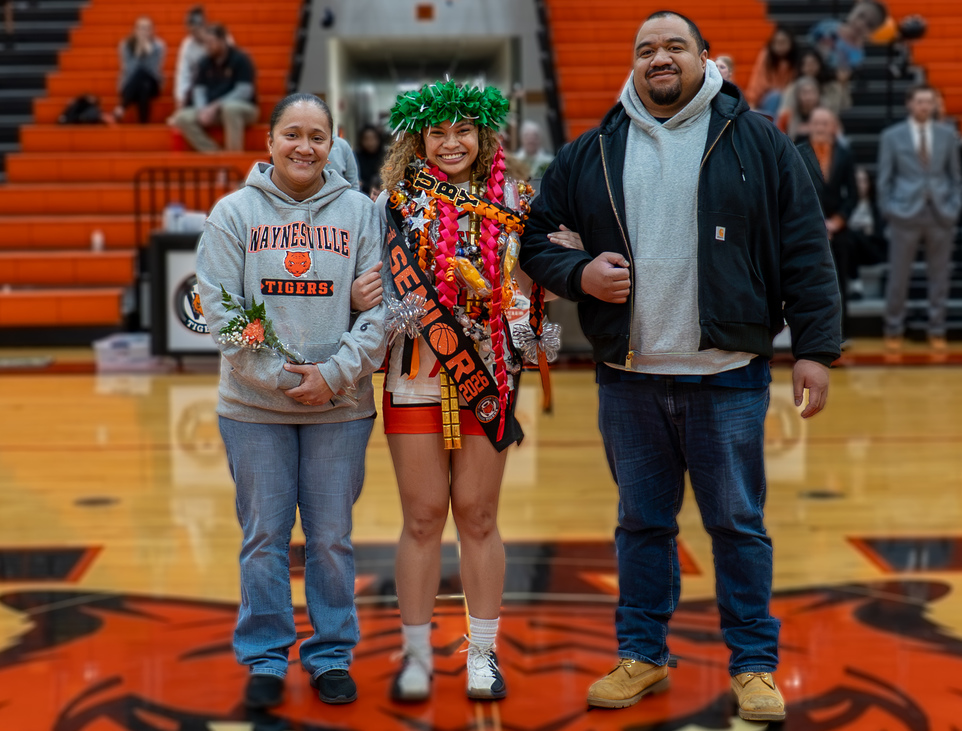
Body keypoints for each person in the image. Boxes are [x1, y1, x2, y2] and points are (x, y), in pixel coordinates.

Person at [519, 10, 840, 723]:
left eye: (673, 46)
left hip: (728, 373)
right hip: (630, 375)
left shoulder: (755, 139)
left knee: (737, 523)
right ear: (632, 64)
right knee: (641, 525)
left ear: (704, 56)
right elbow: (533, 238)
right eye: (645, 49)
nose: (658, 58)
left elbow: (805, 251)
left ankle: (754, 664)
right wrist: (578, 273)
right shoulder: (593, 148)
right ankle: (644, 653)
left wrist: (814, 349)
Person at [194, 93, 386, 709]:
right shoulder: (232, 214)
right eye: (292, 135)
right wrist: (281, 377)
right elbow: (221, 314)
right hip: (253, 411)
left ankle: (331, 652)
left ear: (334, 146)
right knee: (264, 537)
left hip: (341, 406)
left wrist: (333, 375)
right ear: (270, 141)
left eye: (318, 137)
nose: (304, 147)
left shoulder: (361, 213)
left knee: (331, 537)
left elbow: (383, 312)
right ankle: (266, 658)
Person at [372, 79, 557, 704]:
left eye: (463, 131)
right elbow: (376, 299)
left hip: (488, 380)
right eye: (437, 132)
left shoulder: (517, 201)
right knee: (422, 518)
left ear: (483, 136)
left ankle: (482, 655)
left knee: (478, 515)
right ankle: (418, 655)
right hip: (415, 376)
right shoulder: (392, 204)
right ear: (418, 138)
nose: (451, 143)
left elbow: (536, 306)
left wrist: (518, 314)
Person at [877, 83, 962, 354]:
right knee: (898, 276)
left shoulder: (948, 135)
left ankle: (937, 329)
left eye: (929, 102)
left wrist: (954, 206)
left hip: (940, 213)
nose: (925, 106)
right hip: (905, 213)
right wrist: (889, 209)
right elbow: (884, 179)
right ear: (910, 104)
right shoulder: (892, 136)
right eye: (920, 101)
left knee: (939, 276)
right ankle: (893, 328)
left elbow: (956, 177)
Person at [797, 108, 859, 338]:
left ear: (833, 127)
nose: (821, 129)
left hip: (836, 229)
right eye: (817, 124)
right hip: (805, 228)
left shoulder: (845, 154)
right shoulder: (798, 152)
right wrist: (812, 224)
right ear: (810, 126)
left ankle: (840, 333)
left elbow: (852, 194)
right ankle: (808, 334)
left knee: (839, 281)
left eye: (826, 124)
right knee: (804, 283)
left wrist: (836, 222)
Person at [169, 23, 257, 152]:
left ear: (222, 40)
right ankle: (215, 155)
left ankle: (234, 158)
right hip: (212, 110)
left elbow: (244, 91)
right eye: (206, 43)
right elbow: (199, 90)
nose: (207, 46)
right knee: (182, 117)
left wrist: (216, 105)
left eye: (211, 42)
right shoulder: (204, 62)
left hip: (243, 109)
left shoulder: (241, 59)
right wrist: (202, 109)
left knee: (230, 109)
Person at [808, 0, 888, 81]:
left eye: (869, 25)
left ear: (872, 31)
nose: (860, 24)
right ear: (854, 9)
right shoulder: (826, 26)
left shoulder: (857, 58)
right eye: (861, 16)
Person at [113, 17, 165, 124]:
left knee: (144, 76)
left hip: (153, 84)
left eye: (147, 28)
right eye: (141, 28)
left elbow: (153, 72)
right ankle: (143, 124)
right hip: (130, 83)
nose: (144, 32)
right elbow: (128, 70)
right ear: (135, 30)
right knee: (143, 86)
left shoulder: (159, 46)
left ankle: (122, 107)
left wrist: (148, 52)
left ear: (152, 31)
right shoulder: (125, 45)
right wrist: (138, 52)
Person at [778, 48, 851, 118]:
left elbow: (845, 108)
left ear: (820, 64)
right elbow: (784, 112)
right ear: (800, 67)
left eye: (813, 63)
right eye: (806, 64)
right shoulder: (793, 88)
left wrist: (843, 86)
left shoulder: (833, 87)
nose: (810, 67)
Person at [744, 26, 799, 116]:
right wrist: (752, 103)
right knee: (775, 96)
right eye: (776, 42)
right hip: (768, 100)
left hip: (790, 100)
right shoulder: (766, 56)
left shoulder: (796, 60)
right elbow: (758, 83)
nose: (779, 46)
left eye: (783, 42)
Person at [172, 5, 207, 111]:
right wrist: (180, 97)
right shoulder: (187, 44)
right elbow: (182, 73)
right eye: (191, 31)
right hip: (196, 84)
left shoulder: (219, 38)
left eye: (196, 30)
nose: (194, 34)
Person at [775, 76, 822, 143]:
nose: (809, 97)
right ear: (797, 95)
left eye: (812, 92)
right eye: (805, 93)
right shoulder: (786, 116)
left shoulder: (825, 116)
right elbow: (778, 139)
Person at [354, 124, 385, 195]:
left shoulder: (385, 156)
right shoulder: (356, 157)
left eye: (373, 139)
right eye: (366, 139)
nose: (370, 143)